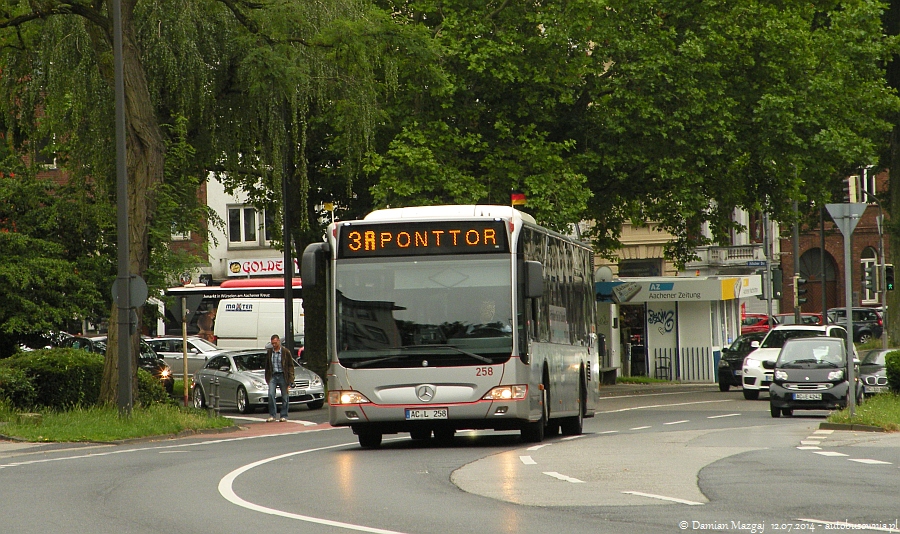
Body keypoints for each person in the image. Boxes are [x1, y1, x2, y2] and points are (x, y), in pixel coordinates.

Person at [264, 334, 295, 422]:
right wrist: (267, 378)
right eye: (272, 343)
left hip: (282, 375)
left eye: (275, 343)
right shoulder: (270, 352)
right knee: (270, 394)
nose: (274, 345)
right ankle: (272, 415)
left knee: (285, 396)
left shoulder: (285, 352)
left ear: (279, 341)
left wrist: (290, 379)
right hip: (273, 375)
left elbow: (290, 366)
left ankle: (284, 415)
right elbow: (267, 365)